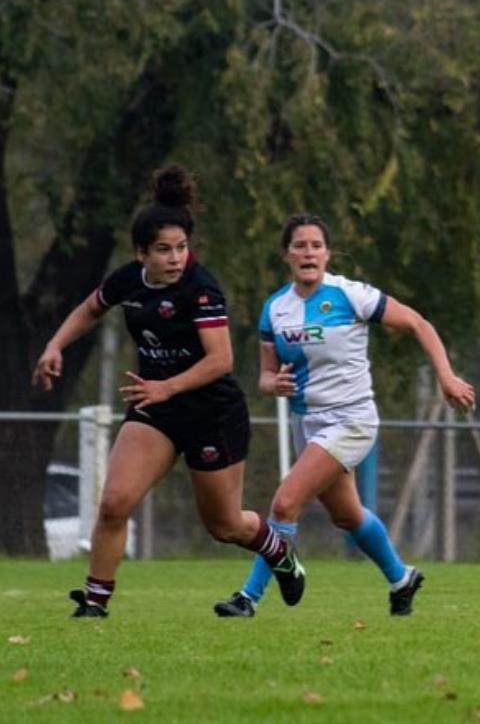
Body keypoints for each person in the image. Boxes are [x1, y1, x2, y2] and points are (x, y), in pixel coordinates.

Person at [32, 164, 304, 618]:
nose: (176, 258)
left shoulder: (201, 289)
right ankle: (95, 603)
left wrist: (166, 387)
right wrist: (55, 345)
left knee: (224, 524)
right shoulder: (127, 281)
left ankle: (279, 552)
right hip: (156, 408)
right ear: (142, 254)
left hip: (210, 412)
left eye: (181, 248)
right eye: (164, 250)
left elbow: (222, 361)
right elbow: (90, 308)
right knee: (115, 501)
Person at [214, 213, 476, 618]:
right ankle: (401, 577)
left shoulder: (350, 295)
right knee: (347, 515)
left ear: (328, 253)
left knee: (285, 505)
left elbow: (418, 324)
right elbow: (265, 376)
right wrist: (273, 385)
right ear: (286, 254)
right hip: (307, 422)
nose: (308, 252)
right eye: (299, 245)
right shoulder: (276, 309)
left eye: (316, 245)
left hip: (351, 420)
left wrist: (446, 376)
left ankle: (248, 598)